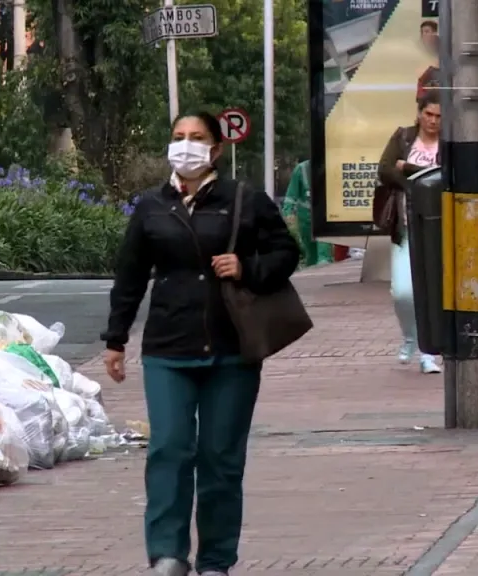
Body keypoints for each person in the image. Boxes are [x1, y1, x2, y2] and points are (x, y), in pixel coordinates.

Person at [101, 111, 301, 576]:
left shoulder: (244, 200)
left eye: (196, 138)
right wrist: (115, 340)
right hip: (168, 349)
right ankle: (167, 555)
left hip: (231, 350)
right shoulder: (152, 205)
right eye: (177, 137)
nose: (185, 145)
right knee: (169, 450)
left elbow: (286, 252)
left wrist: (247, 266)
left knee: (220, 459)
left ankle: (215, 560)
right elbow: (129, 276)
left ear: (215, 150)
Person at [376, 91, 442, 374]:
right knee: (403, 293)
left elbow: (449, 174)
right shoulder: (404, 137)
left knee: (433, 293)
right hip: (405, 229)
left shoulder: (450, 141)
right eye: (428, 114)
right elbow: (385, 169)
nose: (433, 121)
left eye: (439, 116)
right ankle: (410, 336)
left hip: (440, 230)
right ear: (419, 113)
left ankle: (429, 353)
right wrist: (416, 180)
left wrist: (410, 168)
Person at [282, 159, 334, 267]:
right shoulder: (301, 169)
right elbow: (291, 195)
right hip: (305, 218)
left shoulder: (332, 167)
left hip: (324, 217)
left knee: (324, 257)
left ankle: (324, 270)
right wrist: (288, 212)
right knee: (310, 256)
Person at [417, 20, 441, 100]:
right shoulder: (418, 49)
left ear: (435, 33)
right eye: (422, 32)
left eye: (427, 32)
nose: (424, 35)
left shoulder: (444, 49)